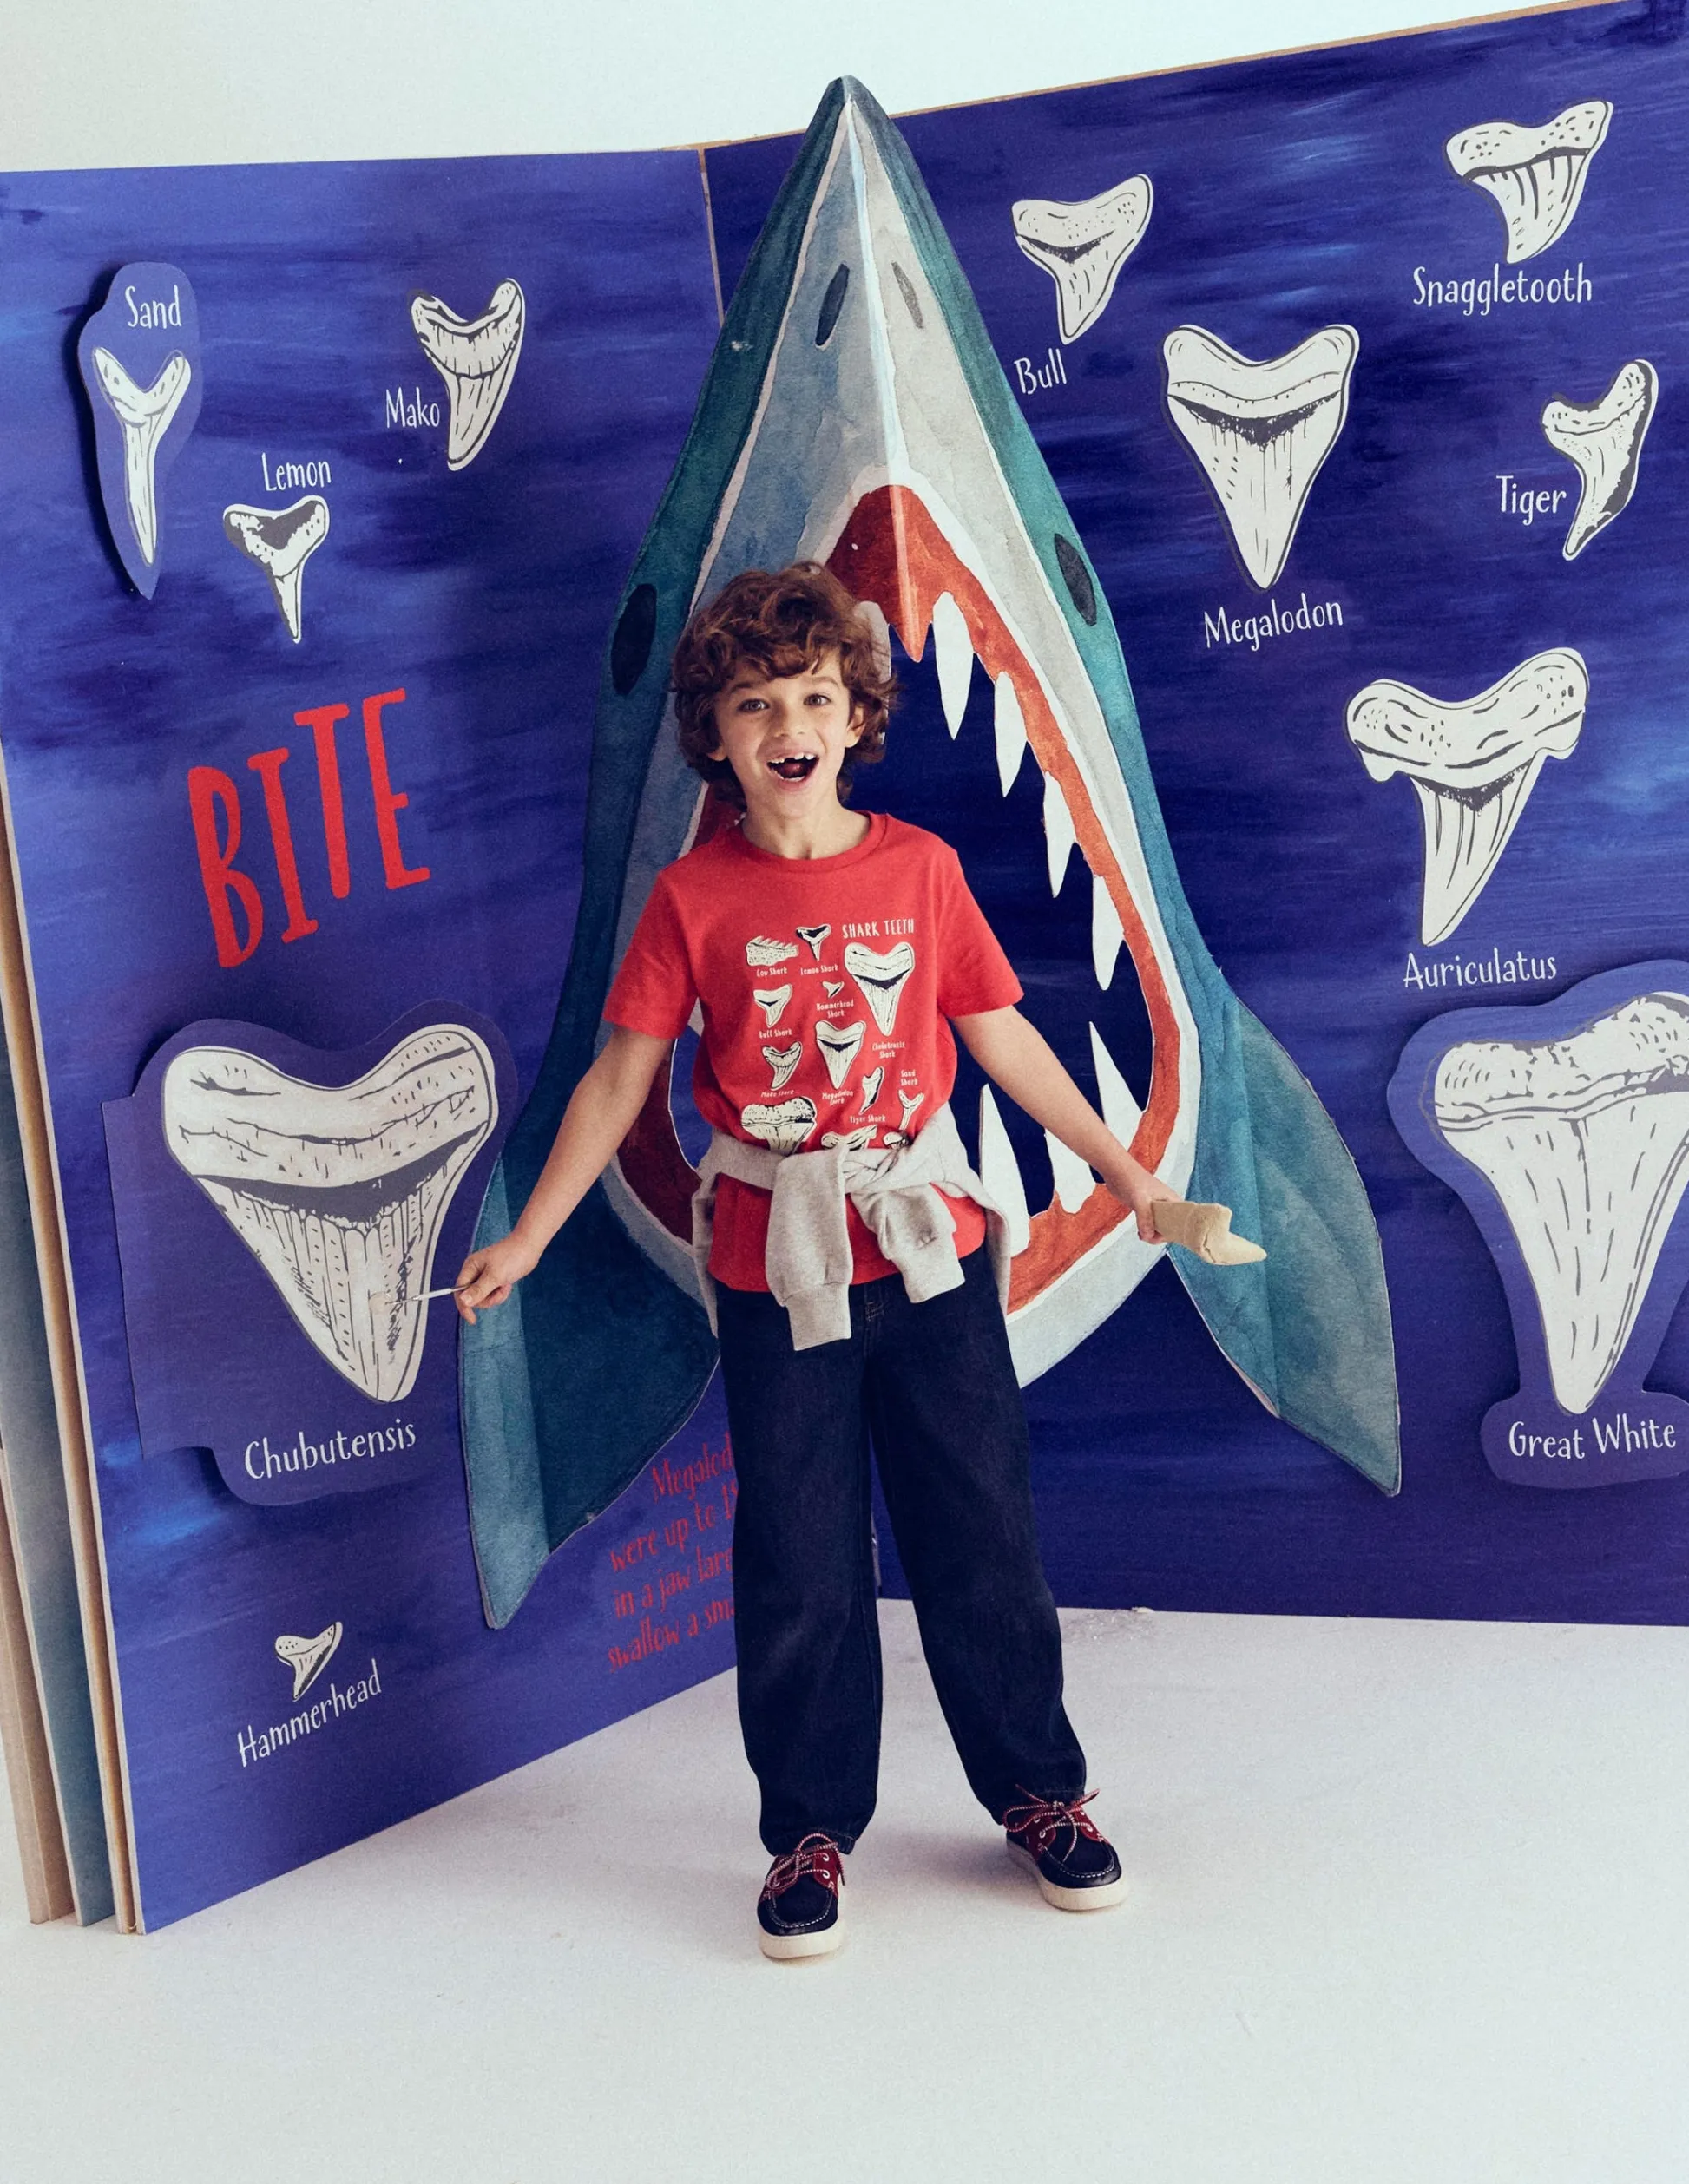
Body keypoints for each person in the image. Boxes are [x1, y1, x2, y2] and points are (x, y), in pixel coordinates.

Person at [455, 562, 1176, 1960]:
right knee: (798, 1554)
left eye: (811, 696)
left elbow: (999, 1034)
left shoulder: (921, 870)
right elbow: (618, 1080)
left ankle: (1038, 1793)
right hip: (772, 1265)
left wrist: (1125, 1167)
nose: (786, 724)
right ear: (714, 737)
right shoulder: (690, 897)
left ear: (854, 717)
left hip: (929, 1254)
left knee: (982, 1534)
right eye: (752, 704)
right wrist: (528, 1236)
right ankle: (808, 1829)